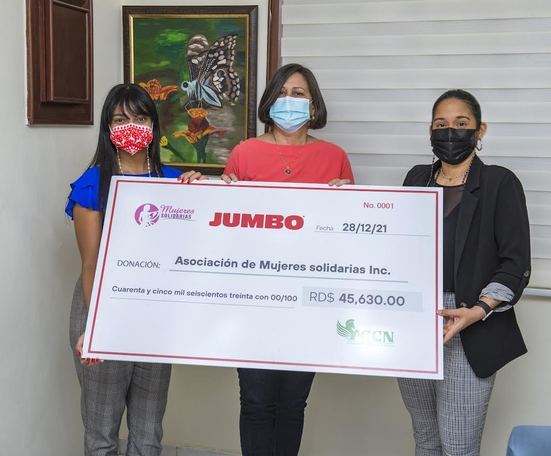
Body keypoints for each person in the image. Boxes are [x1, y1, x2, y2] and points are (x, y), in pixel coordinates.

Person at [225, 63, 354, 456]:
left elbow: (350, 235)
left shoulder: (334, 158)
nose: (291, 101)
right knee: (257, 402)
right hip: (253, 298)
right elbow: (223, 233)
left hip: (309, 302)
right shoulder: (244, 153)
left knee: (293, 403)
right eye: (283, 92)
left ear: (313, 105)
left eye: (299, 93)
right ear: (269, 101)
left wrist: (349, 203)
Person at [65, 83, 198, 456]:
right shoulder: (92, 186)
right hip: (102, 309)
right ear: (108, 128)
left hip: (154, 313)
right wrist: (95, 328)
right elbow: (90, 265)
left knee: (148, 430)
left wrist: (201, 192)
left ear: (154, 126)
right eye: (121, 119)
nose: (132, 126)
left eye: (140, 117)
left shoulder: (174, 182)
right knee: (102, 431)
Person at [397, 89, 531, 456]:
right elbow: (395, 244)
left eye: (461, 124)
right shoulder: (416, 178)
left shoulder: (500, 183)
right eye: (441, 125)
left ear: (480, 130)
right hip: (414, 319)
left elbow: (515, 264)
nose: (450, 132)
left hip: (471, 324)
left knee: (458, 446)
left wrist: (479, 309)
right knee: (425, 440)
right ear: (430, 130)